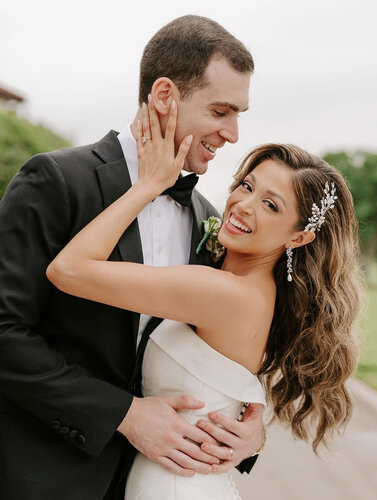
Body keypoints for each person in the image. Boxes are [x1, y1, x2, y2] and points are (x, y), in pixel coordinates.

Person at [0, 15, 265, 500]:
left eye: (239, 114)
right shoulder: (57, 181)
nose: (233, 133)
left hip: (158, 482)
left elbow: (223, 348)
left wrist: (252, 427)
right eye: (222, 110)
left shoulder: (209, 218)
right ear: (165, 96)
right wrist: (124, 414)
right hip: (45, 477)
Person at [46, 98, 363, 499]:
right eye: (247, 186)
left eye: (270, 205)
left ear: (299, 237)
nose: (243, 205)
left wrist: (147, 186)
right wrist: (255, 431)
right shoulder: (253, 287)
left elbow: (67, 270)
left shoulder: (223, 293)